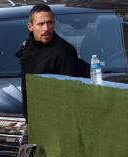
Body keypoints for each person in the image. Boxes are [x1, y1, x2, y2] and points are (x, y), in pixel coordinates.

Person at [16, 4, 89, 145]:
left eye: (49, 23)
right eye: (41, 24)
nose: (46, 29)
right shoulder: (29, 46)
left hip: (53, 129)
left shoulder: (63, 52)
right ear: (30, 27)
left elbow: (68, 96)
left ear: (54, 23)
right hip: (33, 124)